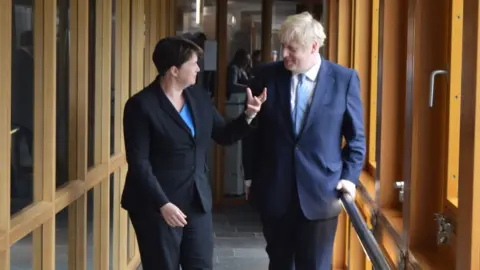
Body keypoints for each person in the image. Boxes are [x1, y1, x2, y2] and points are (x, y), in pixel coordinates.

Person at [121, 37, 267, 270]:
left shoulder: (198, 97)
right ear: (174, 70)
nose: (199, 68)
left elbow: (224, 134)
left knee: (200, 265)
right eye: (194, 63)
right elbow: (139, 163)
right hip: (156, 205)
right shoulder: (141, 106)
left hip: (196, 201)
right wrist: (163, 204)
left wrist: (248, 115)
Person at [242, 11, 366, 270]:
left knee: (315, 266)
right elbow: (253, 131)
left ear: (314, 46)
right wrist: (250, 176)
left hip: (322, 191)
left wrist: (349, 178)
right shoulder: (265, 75)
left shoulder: (343, 79)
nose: (284, 53)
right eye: (283, 46)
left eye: (292, 48)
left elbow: (356, 138)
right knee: (279, 264)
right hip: (274, 189)